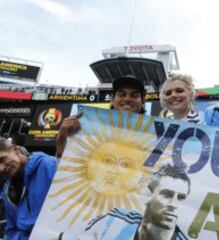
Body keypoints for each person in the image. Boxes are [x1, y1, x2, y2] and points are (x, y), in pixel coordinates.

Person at [60, 164, 190, 240]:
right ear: (146, 196)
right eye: (167, 194)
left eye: (181, 198)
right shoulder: (112, 221)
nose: (174, 204)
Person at [55, 75, 146, 158]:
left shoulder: (155, 137)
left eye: (134, 95)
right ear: (112, 99)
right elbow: (70, 170)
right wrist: (61, 142)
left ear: (142, 101)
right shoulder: (89, 131)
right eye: (121, 95)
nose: (127, 99)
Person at [0, 137, 57, 240]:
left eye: (2, 159)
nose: (1, 168)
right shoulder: (7, 190)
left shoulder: (49, 165)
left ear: (15, 150)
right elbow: (11, 229)